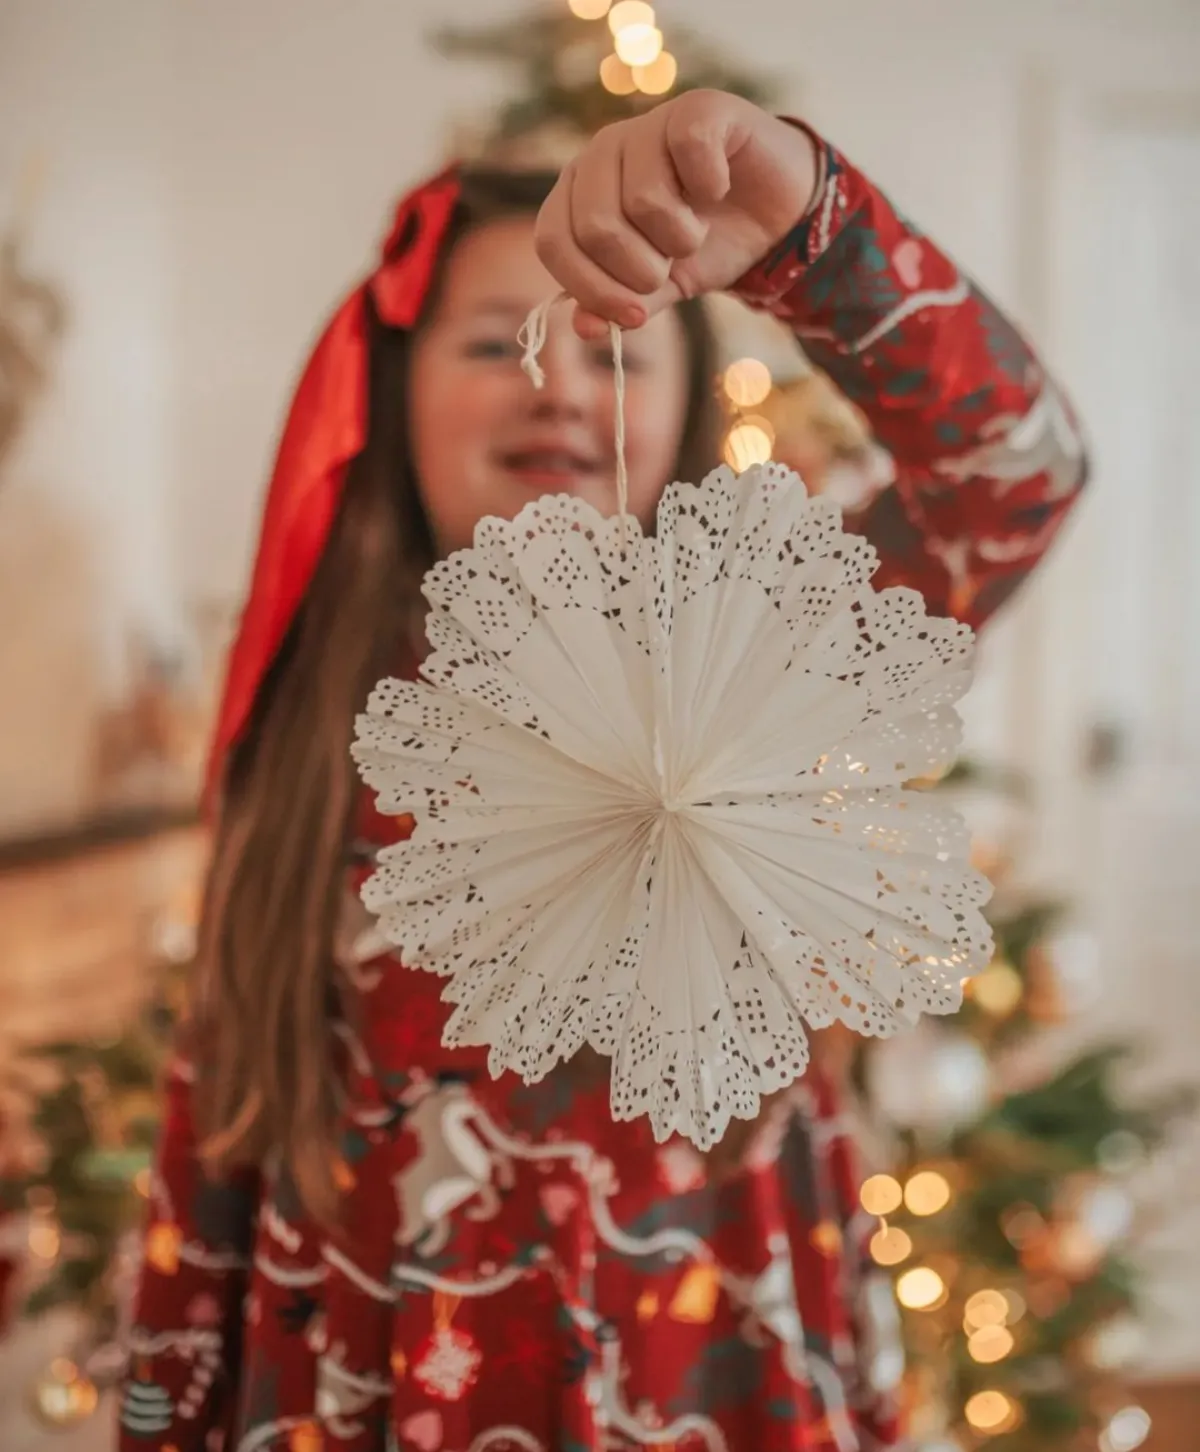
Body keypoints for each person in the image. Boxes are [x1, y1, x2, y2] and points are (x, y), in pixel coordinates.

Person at [118, 90, 1087, 1452]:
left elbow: (1015, 481)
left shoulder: (780, 651)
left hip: (727, 1388)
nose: (558, 381)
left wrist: (810, 228)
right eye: (491, 340)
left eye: (610, 345)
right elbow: (204, 1169)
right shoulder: (316, 728)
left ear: (683, 391)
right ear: (396, 391)